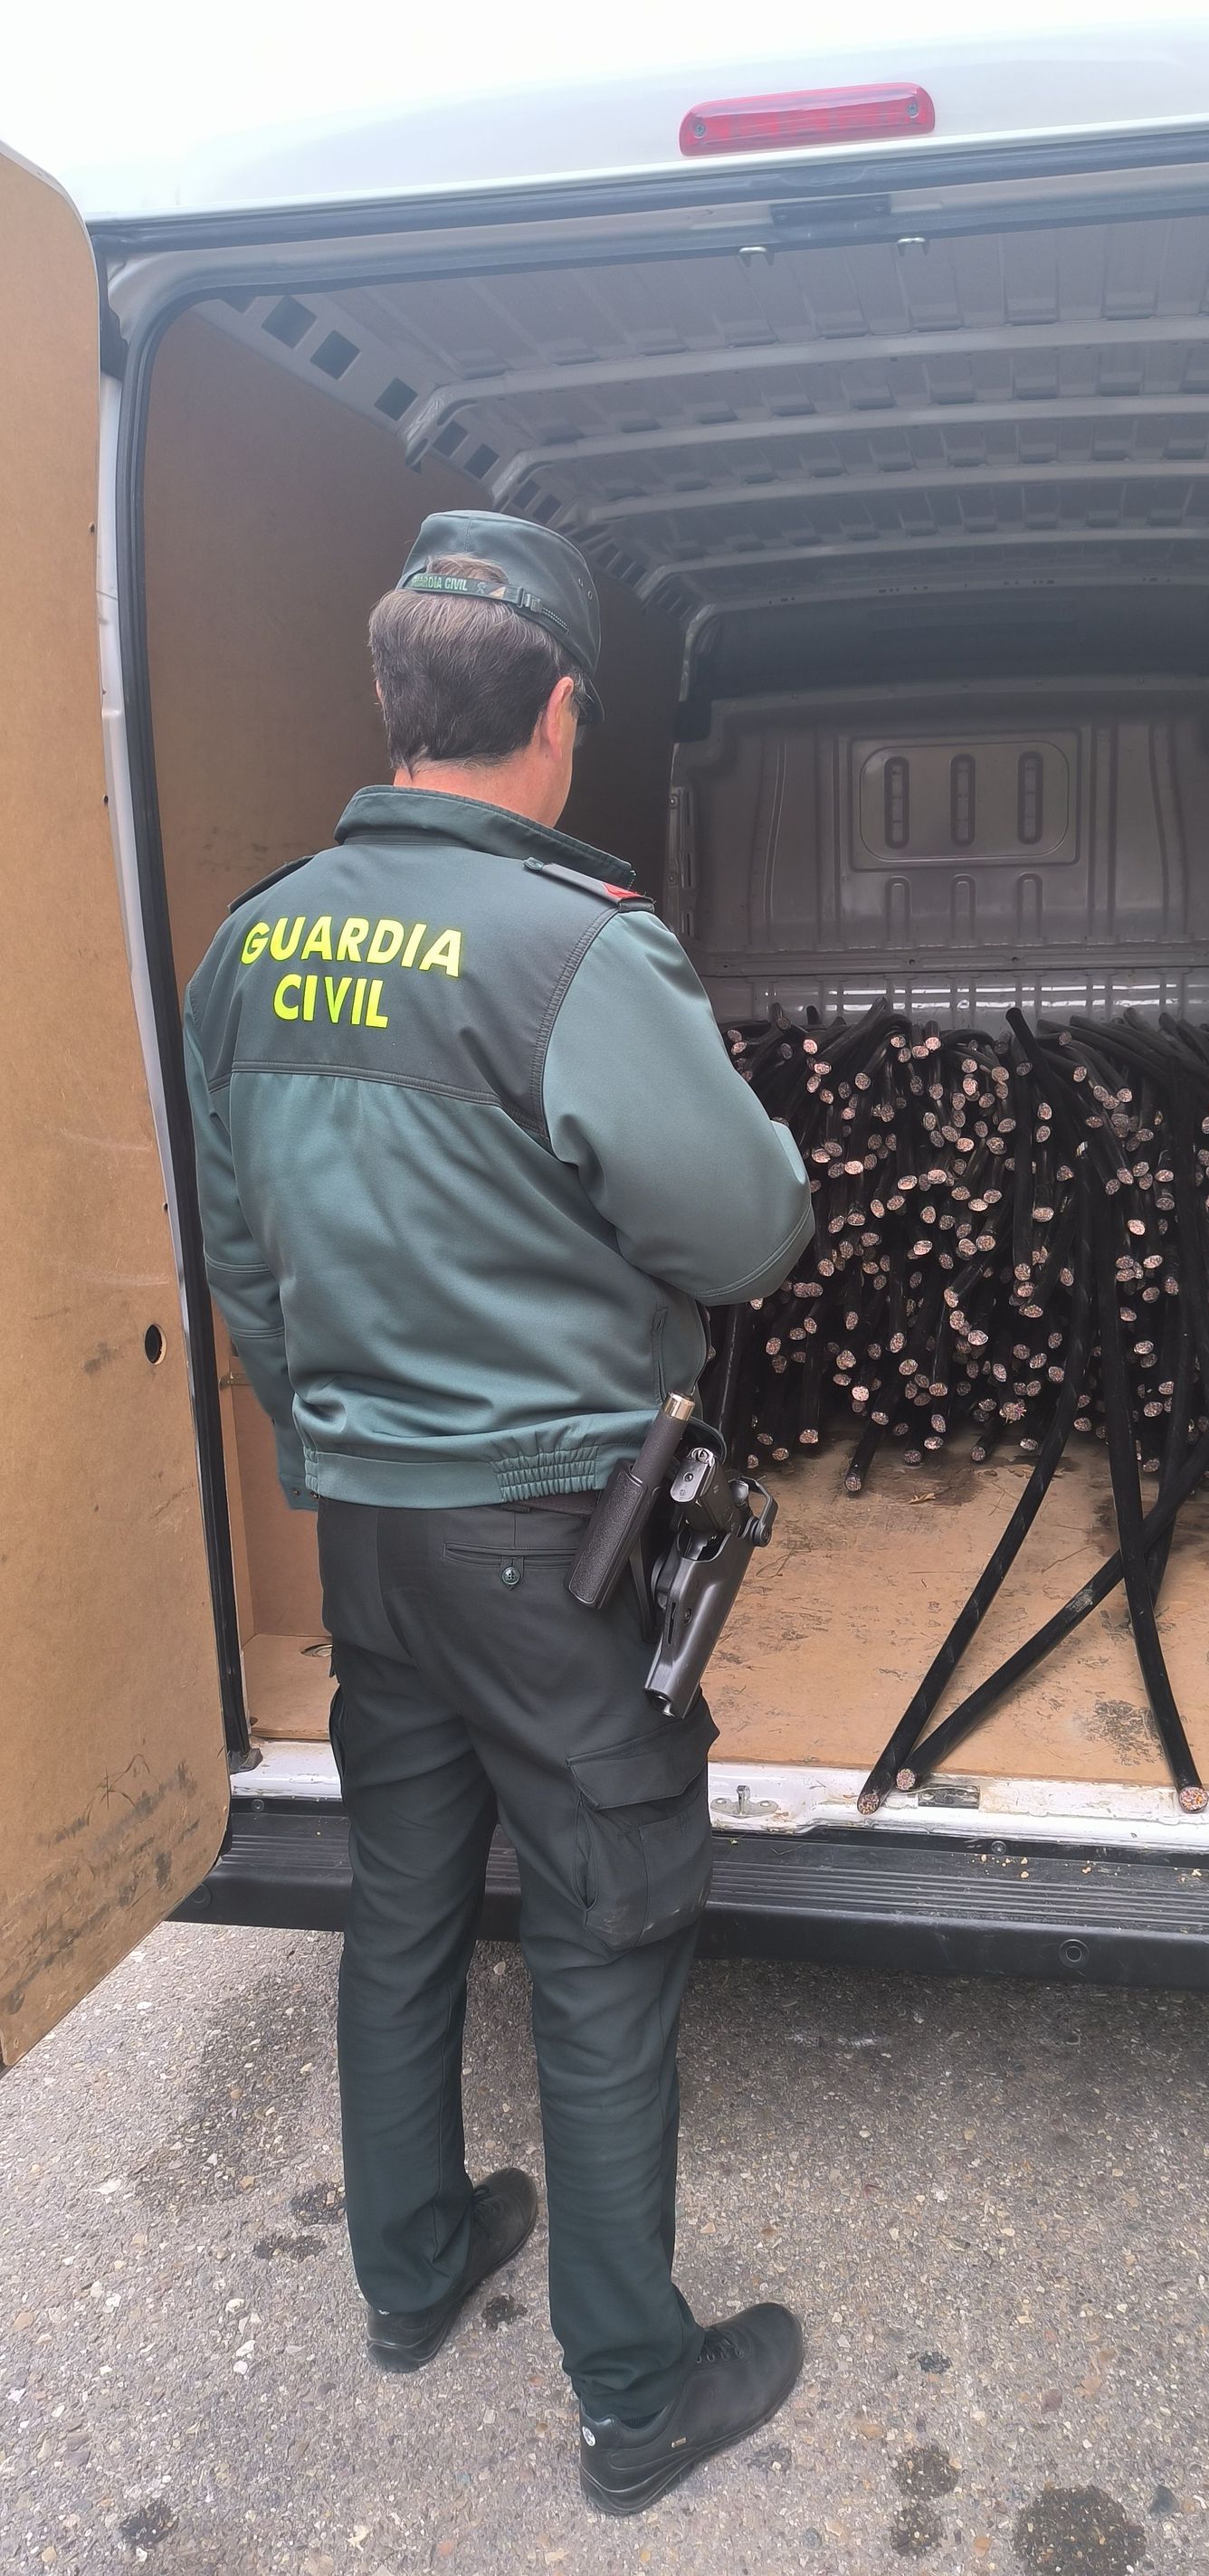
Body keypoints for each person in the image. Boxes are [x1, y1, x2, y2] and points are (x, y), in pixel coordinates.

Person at [183, 512, 814, 2514]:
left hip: (370, 1528)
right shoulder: (573, 944)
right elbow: (746, 1228)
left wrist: (332, 1448)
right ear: (554, 713)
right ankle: (636, 2391)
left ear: (395, 699)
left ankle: (412, 2265)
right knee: (608, 1929)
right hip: (555, 1537)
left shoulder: (251, 942)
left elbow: (241, 1254)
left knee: (401, 1902)